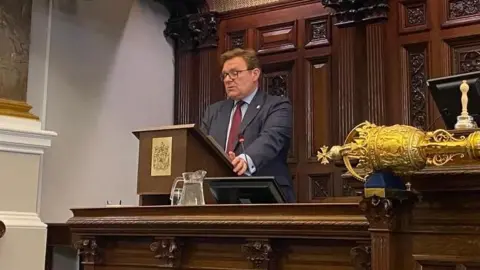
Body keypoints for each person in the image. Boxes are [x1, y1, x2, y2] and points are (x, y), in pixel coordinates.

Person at [200, 48, 295, 203]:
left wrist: (245, 159)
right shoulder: (214, 111)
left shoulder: (277, 105)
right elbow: (202, 147)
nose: (228, 79)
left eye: (235, 73)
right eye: (225, 75)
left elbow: (271, 138)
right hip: (220, 198)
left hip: (266, 198)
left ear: (254, 74)